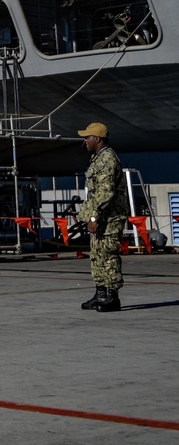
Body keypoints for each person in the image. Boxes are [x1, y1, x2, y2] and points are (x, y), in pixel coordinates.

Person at [77, 122, 127, 312]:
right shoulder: (97, 158)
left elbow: (106, 193)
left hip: (110, 217)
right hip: (100, 217)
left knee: (109, 256)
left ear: (97, 139)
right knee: (97, 256)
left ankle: (113, 297)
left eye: (87, 137)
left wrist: (93, 217)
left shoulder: (107, 160)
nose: (85, 141)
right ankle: (100, 294)